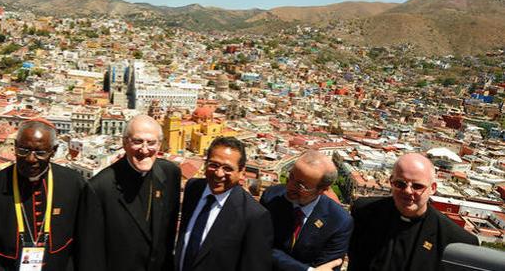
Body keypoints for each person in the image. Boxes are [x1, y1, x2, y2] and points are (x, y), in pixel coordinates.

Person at [0, 119, 85, 270]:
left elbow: (85, 242)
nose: (31, 159)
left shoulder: (73, 183)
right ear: (15, 146)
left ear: (53, 150)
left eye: (40, 153)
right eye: (23, 150)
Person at [78, 115, 181, 271]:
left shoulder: (171, 173)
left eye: (151, 142)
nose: (145, 150)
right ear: (124, 143)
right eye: (137, 141)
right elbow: (91, 254)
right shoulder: (99, 187)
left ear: (160, 145)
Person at [348, 153, 478, 271]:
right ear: (391, 182)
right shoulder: (364, 212)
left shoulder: (456, 241)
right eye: (400, 184)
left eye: (417, 186)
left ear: (432, 188)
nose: (408, 191)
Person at [176, 137, 273, 271]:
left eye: (228, 168)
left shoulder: (254, 216)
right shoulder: (193, 188)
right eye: (213, 165)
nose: (219, 173)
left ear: (241, 172)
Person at [260, 150, 353, 271]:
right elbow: (260, 245)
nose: (289, 186)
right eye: (291, 177)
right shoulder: (271, 196)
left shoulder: (339, 222)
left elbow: (329, 267)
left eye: (301, 186)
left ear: (322, 189)